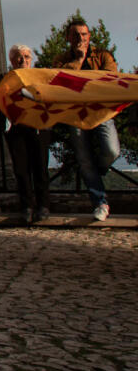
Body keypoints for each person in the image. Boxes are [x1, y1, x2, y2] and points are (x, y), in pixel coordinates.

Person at [53, 18, 120, 221]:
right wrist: (78, 62)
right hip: (76, 114)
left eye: (83, 34)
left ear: (89, 36)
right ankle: (100, 202)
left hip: (101, 111)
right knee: (84, 159)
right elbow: (58, 82)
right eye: (75, 35)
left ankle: (97, 170)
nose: (80, 38)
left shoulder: (103, 56)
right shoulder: (61, 60)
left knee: (112, 151)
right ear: (68, 38)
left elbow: (110, 79)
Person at [3, 44, 50, 223]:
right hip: (16, 128)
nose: (23, 60)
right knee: (21, 169)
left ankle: (43, 205)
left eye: (26, 56)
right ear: (12, 60)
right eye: (19, 56)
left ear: (31, 60)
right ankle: (27, 206)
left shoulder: (39, 77)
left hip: (38, 126)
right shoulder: (6, 79)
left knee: (40, 167)